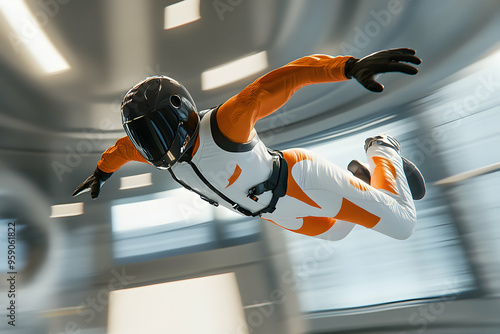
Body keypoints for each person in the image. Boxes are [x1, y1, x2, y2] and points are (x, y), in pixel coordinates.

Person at [73, 48, 425, 241]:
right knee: (336, 233)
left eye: (157, 130)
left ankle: (382, 148)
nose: (152, 144)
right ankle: (362, 179)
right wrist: (101, 174)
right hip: (274, 213)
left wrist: (347, 67)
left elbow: (287, 78)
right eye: (145, 136)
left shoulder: (227, 123)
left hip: (299, 181)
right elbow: (121, 150)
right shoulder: (155, 150)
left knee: (402, 224)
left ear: (182, 113)